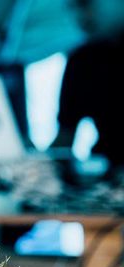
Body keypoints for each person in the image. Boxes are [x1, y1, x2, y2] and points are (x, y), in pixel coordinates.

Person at [54, 0, 124, 179]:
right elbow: (64, 140)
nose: (78, 16)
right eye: (72, 7)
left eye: (85, 3)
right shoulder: (83, 60)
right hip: (107, 183)